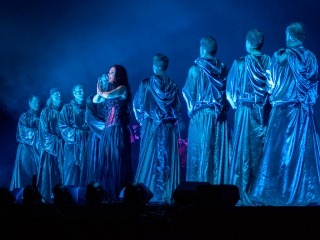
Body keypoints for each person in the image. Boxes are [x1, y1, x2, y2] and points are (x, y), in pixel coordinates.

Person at [251, 22, 320, 206]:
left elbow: (270, 82)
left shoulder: (280, 56)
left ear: (289, 36)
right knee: (302, 153)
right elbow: (314, 84)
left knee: (278, 153)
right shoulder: (311, 57)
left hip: (283, 113)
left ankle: (278, 191)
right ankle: (305, 191)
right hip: (303, 113)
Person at [226, 29, 271, 206]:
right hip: (264, 110)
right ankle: (261, 190)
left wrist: (238, 105)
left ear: (247, 43)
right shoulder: (269, 61)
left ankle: (243, 188)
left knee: (244, 149)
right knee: (262, 147)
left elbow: (230, 92)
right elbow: (274, 86)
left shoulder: (239, 63)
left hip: (245, 110)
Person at [182, 36, 231, 184]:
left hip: (201, 115)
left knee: (201, 153)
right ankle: (218, 188)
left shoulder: (195, 69)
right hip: (219, 117)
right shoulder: (223, 69)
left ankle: (200, 191)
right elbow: (227, 94)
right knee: (217, 152)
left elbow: (189, 93)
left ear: (202, 49)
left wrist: (191, 111)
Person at [133, 54, 181, 202]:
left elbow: (138, 106)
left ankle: (147, 191)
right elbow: (177, 109)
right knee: (166, 158)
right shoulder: (173, 85)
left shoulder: (146, 84)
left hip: (151, 125)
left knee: (149, 157)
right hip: (167, 126)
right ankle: (167, 192)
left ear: (154, 65)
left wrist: (143, 121)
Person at [95, 65, 133, 201]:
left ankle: (117, 195)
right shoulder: (109, 90)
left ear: (119, 75)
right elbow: (96, 100)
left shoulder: (122, 88)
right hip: (108, 130)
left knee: (117, 161)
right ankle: (106, 194)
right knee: (107, 161)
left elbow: (106, 95)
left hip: (117, 130)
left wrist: (100, 89)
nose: (108, 75)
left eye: (111, 73)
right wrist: (100, 89)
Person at [80, 73, 107, 187]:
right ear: (99, 82)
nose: (107, 82)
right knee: (96, 164)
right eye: (104, 80)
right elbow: (90, 119)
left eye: (108, 79)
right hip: (97, 136)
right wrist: (108, 128)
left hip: (111, 136)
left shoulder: (113, 98)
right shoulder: (91, 99)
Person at [59, 84, 90, 187]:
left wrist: (87, 134)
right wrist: (77, 135)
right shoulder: (67, 108)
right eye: (79, 90)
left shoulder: (89, 107)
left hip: (87, 144)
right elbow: (63, 126)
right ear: (74, 93)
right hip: (72, 145)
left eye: (83, 90)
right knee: (71, 172)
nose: (82, 92)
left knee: (87, 171)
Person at [38, 88, 64, 202]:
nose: (58, 95)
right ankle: (46, 199)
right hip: (49, 148)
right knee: (48, 174)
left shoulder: (62, 111)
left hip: (61, 148)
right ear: (51, 97)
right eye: (56, 94)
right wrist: (56, 142)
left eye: (60, 93)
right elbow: (44, 131)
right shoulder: (46, 111)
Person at [10, 95, 41, 190]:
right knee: (26, 170)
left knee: (37, 172)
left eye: (38, 102)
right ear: (29, 103)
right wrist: (36, 132)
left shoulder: (41, 117)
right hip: (26, 149)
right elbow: (21, 131)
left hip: (37, 149)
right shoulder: (24, 116)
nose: (36, 104)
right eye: (34, 102)